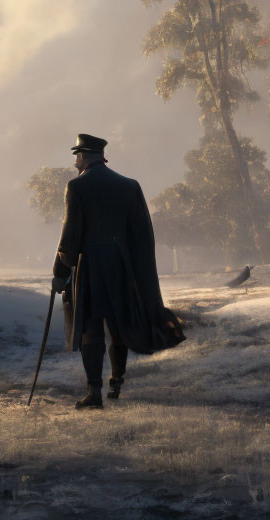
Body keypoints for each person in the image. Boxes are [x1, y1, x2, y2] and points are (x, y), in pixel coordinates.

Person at [52, 134, 185, 409]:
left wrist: (60, 270)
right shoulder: (129, 186)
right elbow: (142, 235)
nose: (75, 159)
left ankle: (94, 393)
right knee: (117, 325)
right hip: (122, 267)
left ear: (84, 156)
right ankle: (117, 382)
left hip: (90, 266)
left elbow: (70, 237)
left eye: (77, 154)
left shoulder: (76, 187)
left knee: (91, 328)